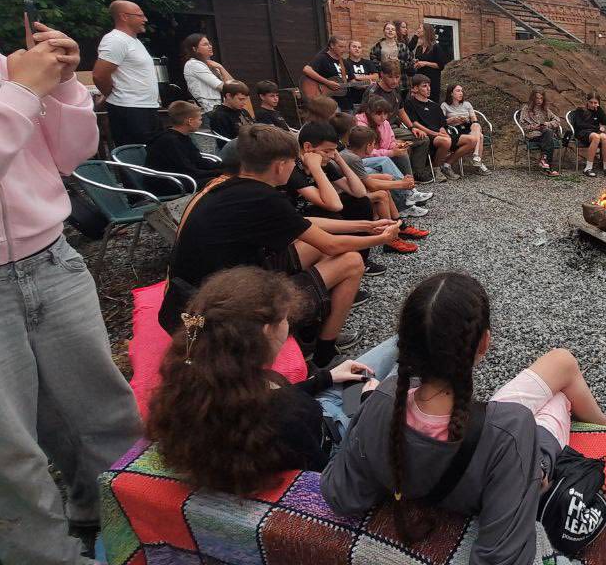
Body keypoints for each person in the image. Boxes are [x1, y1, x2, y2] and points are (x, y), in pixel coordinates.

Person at [322, 272, 606, 559]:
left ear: (405, 344)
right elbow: (504, 554)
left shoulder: (383, 400)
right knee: (559, 396)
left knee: (561, 365)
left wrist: (366, 418)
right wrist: (532, 477)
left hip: (475, 430)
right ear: (484, 343)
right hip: (519, 457)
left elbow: (341, 494)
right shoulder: (509, 429)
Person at [0, 22, 143, 564]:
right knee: (10, 451)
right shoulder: (14, 82)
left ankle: (132, 520)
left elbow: (68, 156)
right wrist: (22, 93)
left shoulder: (8, 70)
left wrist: (61, 86)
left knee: (103, 409)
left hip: (51, 257)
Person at [159, 125, 401, 367]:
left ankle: (309, 331)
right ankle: (324, 354)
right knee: (351, 261)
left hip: (193, 296)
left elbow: (300, 223)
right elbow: (331, 245)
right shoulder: (263, 198)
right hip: (221, 314)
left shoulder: (227, 185)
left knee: (312, 246)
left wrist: (367, 225)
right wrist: (381, 238)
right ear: (280, 165)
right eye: (293, 162)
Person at [146, 268, 397, 496]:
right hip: (340, 436)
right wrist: (371, 405)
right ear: (268, 331)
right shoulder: (285, 416)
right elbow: (332, 477)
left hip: (309, 416)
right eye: (286, 319)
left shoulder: (199, 383)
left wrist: (325, 378)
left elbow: (265, 400)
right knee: (404, 350)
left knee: (399, 345)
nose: (288, 325)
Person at [336, 116, 432, 221]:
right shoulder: (353, 159)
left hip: (349, 185)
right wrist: (402, 184)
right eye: (373, 144)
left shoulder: (349, 153)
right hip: (342, 195)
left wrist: (394, 180)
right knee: (382, 192)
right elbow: (371, 184)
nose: (374, 147)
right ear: (368, 146)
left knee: (387, 176)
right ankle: (392, 220)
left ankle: (398, 219)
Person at [93, 0, 160, 146]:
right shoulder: (115, 40)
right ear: (124, 16)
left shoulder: (133, 41)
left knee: (154, 152)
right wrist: (111, 93)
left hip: (146, 107)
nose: (145, 19)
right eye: (140, 15)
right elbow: (99, 75)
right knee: (136, 153)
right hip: (129, 108)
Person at [145, 101, 223, 192]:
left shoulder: (182, 136)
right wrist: (220, 172)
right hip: (168, 182)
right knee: (222, 182)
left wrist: (225, 166)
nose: (201, 123)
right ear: (190, 121)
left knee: (226, 178)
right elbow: (188, 169)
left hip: (182, 177)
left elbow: (198, 161)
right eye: (200, 119)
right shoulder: (170, 141)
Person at [402, 76, 454, 181]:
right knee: (446, 141)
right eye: (424, 86)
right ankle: (436, 169)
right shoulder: (410, 103)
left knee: (471, 140)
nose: (428, 88)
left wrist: (443, 132)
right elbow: (414, 124)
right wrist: (434, 134)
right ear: (415, 88)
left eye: (429, 85)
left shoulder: (435, 105)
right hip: (424, 135)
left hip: (439, 134)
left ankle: (446, 165)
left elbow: (442, 124)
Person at [355, 96, 414, 179]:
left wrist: (397, 146)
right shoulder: (360, 126)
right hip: (364, 159)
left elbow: (391, 141)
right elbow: (366, 152)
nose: (383, 117)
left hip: (383, 155)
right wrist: (391, 153)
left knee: (402, 154)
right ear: (369, 112)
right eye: (379, 114)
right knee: (382, 163)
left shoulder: (385, 123)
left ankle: (410, 182)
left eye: (385, 114)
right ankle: (403, 184)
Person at [441, 83, 491, 174]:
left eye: (461, 91)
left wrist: (467, 119)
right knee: (480, 136)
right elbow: (441, 122)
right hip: (455, 130)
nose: (461, 93)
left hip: (468, 127)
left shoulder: (467, 104)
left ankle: (476, 155)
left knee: (476, 125)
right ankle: (478, 162)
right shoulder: (445, 105)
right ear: (451, 93)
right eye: (458, 91)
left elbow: (474, 120)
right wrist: (452, 119)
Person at [180, 32, 234, 113]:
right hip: (209, 110)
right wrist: (233, 88)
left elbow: (234, 85)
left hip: (221, 108)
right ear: (194, 49)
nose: (210, 46)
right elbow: (223, 87)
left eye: (209, 44)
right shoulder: (193, 64)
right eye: (205, 44)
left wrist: (221, 68)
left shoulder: (211, 64)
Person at [518, 86, 563, 176]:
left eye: (541, 98)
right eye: (537, 98)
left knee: (548, 133)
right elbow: (523, 126)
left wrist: (547, 123)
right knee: (549, 135)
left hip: (545, 134)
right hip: (533, 135)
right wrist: (534, 127)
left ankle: (545, 162)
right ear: (533, 98)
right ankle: (548, 165)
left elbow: (557, 120)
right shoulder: (526, 109)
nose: (539, 101)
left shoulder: (545, 109)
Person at [570, 93, 606, 177]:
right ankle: (588, 168)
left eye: (595, 103)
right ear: (587, 101)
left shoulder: (598, 111)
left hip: (594, 132)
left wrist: (600, 110)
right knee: (596, 137)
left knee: (604, 137)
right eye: (591, 102)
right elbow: (579, 125)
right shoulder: (580, 110)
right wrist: (597, 128)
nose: (593, 105)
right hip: (582, 132)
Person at [361, 60, 412, 130]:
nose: (394, 81)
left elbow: (401, 112)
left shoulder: (397, 89)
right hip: (376, 128)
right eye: (390, 77)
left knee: (420, 136)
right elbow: (364, 115)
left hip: (393, 127)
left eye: (397, 77)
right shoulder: (373, 91)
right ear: (382, 74)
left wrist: (411, 127)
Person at [302, 36, 350, 105]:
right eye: (340, 46)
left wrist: (363, 83)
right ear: (332, 45)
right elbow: (306, 69)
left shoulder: (345, 62)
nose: (344, 50)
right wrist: (327, 82)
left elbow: (351, 80)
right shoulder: (322, 57)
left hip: (344, 102)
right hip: (326, 101)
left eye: (345, 47)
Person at [411, 24, 447, 102]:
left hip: (432, 81)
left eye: (420, 28)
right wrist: (416, 62)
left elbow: (441, 66)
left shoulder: (436, 47)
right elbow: (419, 61)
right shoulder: (419, 48)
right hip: (420, 81)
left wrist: (425, 63)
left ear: (426, 31)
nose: (418, 30)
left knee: (432, 103)